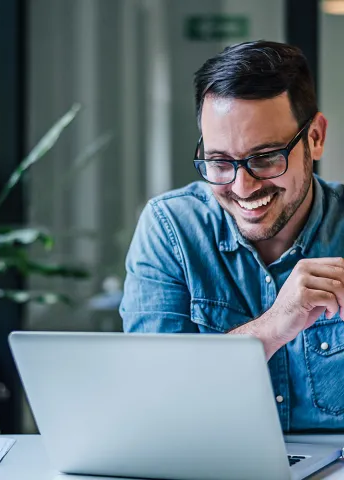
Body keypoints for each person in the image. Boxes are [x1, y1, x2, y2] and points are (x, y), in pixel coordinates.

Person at [119, 40, 344, 432]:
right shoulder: (170, 230)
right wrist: (274, 326)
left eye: (265, 157)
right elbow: (150, 401)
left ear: (315, 138)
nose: (242, 187)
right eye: (220, 162)